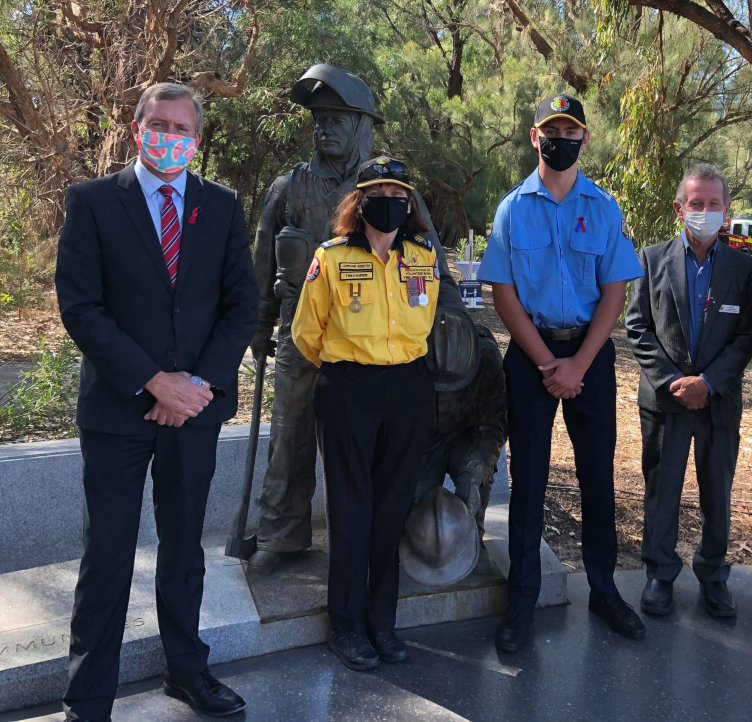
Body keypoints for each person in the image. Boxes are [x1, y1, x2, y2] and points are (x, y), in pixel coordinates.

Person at [55, 82, 258, 720]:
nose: (169, 136)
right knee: (108, 552)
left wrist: (194, 387)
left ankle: (186, 673)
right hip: (119, 410)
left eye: (182, 128)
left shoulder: (221, 206)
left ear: (197, 141)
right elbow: (81, 307)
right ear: (137, 125)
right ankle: (89, 699)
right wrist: (153, 381)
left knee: (183, 547)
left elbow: (241, 305)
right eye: (158, 123)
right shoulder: (91, 202)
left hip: (193, 411)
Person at [249, 66, 463, 571]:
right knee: (289, 437)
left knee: (373, 455)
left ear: (364, 126)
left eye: (338, 119)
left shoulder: (391, 190)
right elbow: (259, 266)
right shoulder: (289, 187)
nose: (325, 128)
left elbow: (437, 273)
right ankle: (281, 533)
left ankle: (378, 537)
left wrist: (453, 326)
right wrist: (258, 327)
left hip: (373, 355)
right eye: (319, 119)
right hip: (302, 338)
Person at [478, 94, 645, 653]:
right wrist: (549, 362)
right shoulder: (511, 209)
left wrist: (579, 362)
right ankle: (521, 601)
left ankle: (603, 590)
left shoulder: (603, 207)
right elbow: (502, 292)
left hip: (590, 356)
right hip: (531, 356)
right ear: (535, 137)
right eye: (552, 130)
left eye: (571, 130)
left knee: (597, 476)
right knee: (527, 480)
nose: (562, 138)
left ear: (584, 139)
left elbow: (615, 289)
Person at [291, 156, 439, 671]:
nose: (390, 201)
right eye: (378, 192)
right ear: (359, 201)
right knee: (351, 511)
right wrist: (348, 367)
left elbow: (430, 322)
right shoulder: (330, 258)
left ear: (410, 203)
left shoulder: (423, 257)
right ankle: (348, 627)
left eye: (399, 193)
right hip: (349, 387)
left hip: (408, 388)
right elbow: (306, 334)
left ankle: (383, 623)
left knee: (392, 508)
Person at [624, 164, 752, 619]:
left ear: (726, 213)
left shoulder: (744, 267)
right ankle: (660, 574)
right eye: (695, 204)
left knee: (717, 489)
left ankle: (714, 575)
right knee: (662, 489)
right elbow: (637, 325)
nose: (704, 211)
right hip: (665, 398)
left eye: (713, 205)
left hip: (718, 401)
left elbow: (746, 335)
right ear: (680, 208)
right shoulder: (651, 258)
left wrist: (711, 383)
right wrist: (672, 381)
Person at [413, 321, 507, 541]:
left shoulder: (487, 356)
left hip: (469, 436)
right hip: (424, 437)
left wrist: (476, 470)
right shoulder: (409, 350)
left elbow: (495, 425)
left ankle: (474, 539)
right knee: (415, 510)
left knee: (474, 483)